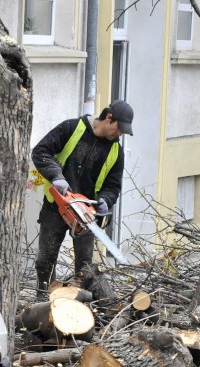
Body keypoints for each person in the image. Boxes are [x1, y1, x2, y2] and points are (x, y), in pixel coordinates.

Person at [32, 100, 134, 297]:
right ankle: (41, 299)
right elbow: (40, 152)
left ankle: (81, 302)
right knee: (45, 260)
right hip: (56, 206)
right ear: (109, 117)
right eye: (118, 129)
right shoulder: (72, 128)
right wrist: (56, 176)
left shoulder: (115, 151)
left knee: (85, 266)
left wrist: (105, 200)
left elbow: (112, 186)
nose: (119, 134)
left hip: (86, 214)